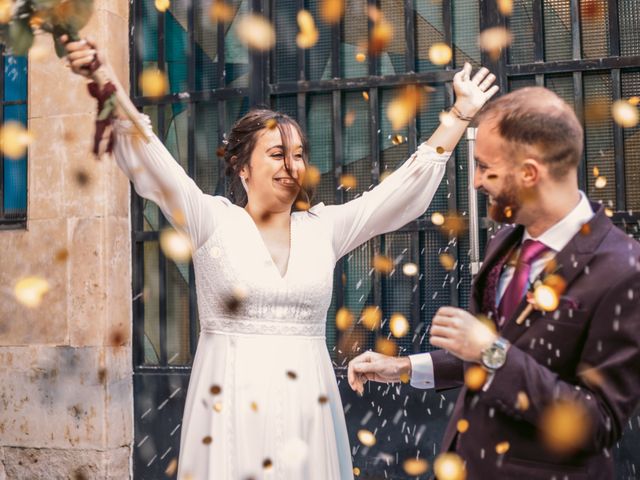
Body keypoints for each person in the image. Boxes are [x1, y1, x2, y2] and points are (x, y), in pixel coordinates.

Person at [63, 37, 498, 479]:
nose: (291, 165)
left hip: (307, 406)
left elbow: (399, 192)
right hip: (230, 404)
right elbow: (151, 156)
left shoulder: (325, 228)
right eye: (276, 154)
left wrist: (460, 114)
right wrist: (105, 78)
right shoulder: (211, 221)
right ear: (242, 168)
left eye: (298, 155)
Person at [348, 87, 640, 479]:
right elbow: (491, 351)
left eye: (486, 168)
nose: (476, 181)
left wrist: (492, 353)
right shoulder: (506, 239)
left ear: (530, 174)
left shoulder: (623, 269)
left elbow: (598, 421)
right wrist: (402, 367)